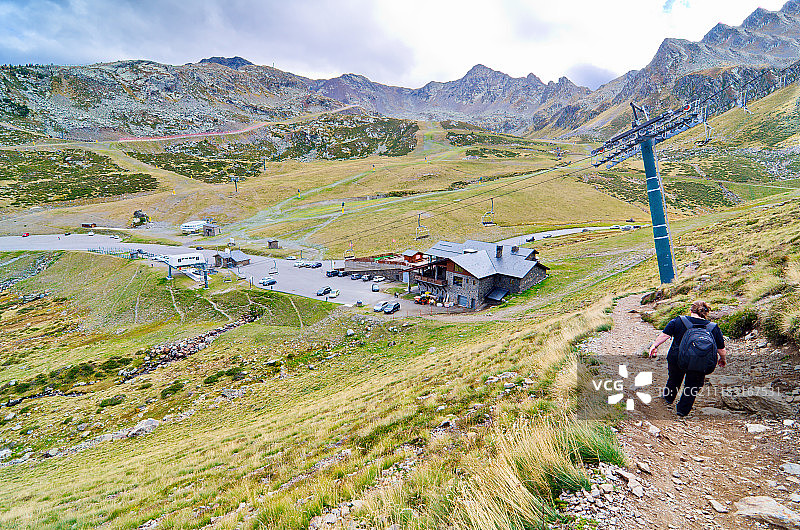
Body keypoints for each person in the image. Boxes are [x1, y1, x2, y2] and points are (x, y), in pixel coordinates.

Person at [648, 300, 727, 417]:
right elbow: (721, 349)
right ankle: (682, 411)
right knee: (693, 385)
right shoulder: (713, 327)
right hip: (700, 360)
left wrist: (654, 346)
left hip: (677, 357)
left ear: (691, 310)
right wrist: (722, 359)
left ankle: (668, 399)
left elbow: (665, 335)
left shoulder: (679, 321)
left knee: (674, 378)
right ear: (706, 313)